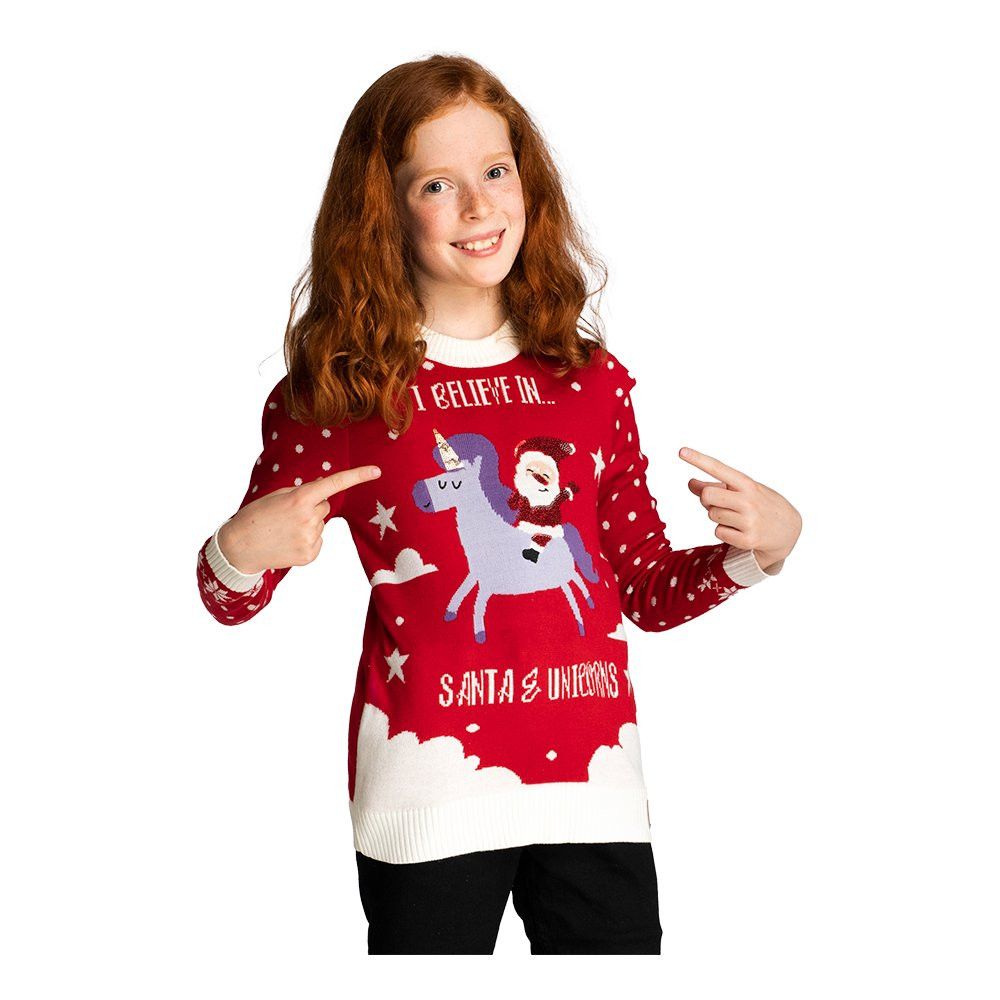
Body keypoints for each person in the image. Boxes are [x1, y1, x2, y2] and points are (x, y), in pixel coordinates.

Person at [196, 54, 803, 955]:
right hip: (428, 798)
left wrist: (760, 554)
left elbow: (640, 590)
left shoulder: (591, 381)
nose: (479, 207)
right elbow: (227, 600)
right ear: (383, 207)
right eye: (438, 184)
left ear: (528, 182)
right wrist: (239, 549)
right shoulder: (341, 394)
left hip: (595, 793)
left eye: (495, 171)